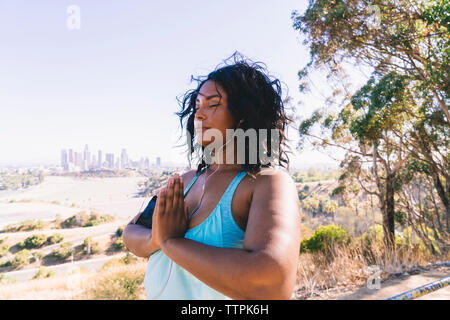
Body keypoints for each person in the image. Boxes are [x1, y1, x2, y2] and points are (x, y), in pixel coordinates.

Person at [123, 52, 301, 300]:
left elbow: (271, 283)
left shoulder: (265, 184)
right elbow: (130, 234)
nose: (199, 114)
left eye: (213, 104)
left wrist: (171, 242)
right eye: (197, 106)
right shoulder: (186, 181)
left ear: (243, 114)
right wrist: (156, 238)